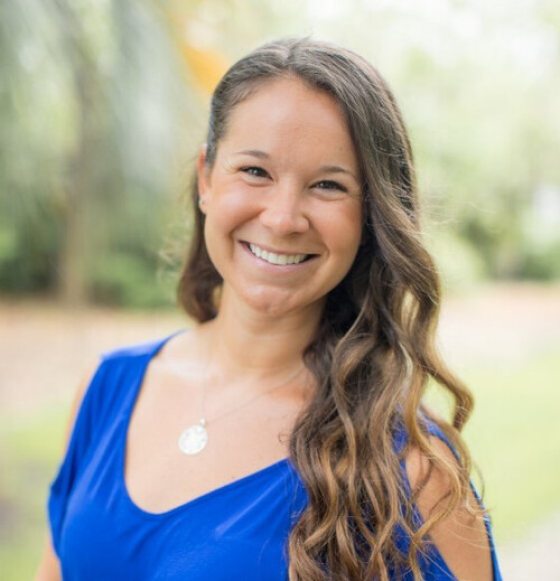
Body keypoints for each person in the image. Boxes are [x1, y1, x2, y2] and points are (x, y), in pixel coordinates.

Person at [35, 37, 502, 580]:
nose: (283, 219)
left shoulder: (412, 467)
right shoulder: (107, 389)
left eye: (328, 185)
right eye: (255, 172)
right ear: (207, 178)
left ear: (370, 215)